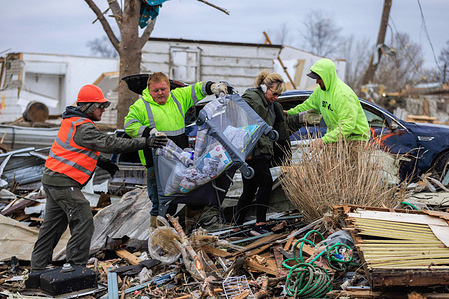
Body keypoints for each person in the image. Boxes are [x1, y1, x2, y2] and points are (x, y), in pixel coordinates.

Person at [30, 84, 167, 272]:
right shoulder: (83, 127)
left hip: (53, 180)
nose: (103, 110)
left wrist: (103, 163)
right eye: (99, 106)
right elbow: (110, 143)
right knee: (84, 219)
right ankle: (75, 268)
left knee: (52, 227)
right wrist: (147, 142)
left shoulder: (73, 122)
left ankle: (37, 269)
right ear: (87, 107)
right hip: (63, 182)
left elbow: (78, 151)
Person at [124, 72, 228, 229]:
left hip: (180, 161)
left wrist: (212, 87)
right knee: (161, 203)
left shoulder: (178, 97)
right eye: (156, 90)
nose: (160, 93)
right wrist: (148, 132)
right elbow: (129, 125)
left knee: (193, 196)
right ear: (149, 89)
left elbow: (196, 89)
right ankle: (159, 238)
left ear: (168, 87)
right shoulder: (140, 106)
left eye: (163, 89)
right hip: (155, 164)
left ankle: (188, 233)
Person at [233, 70, 289, 236]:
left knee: (250, 189)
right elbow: (242, 125)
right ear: (265, 88)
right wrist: (247, 151)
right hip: (254, 151)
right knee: (265, 184)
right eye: (274, 93)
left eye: (279, 95)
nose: (276, 97)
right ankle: (259, 224)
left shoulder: (269, 104)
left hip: (262, 149)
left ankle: (237, 226)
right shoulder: (252, 100)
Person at [285, 58, 370, 148]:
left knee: (344, 162)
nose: (316, 82)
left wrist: (323, 140)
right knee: (327, 160)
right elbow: (307, 106)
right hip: (336, 136)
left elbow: (348, 126)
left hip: (355, 139)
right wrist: (289, 112)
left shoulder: (343, 95)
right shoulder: (320, 91)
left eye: (319, 78)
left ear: (327, 76)